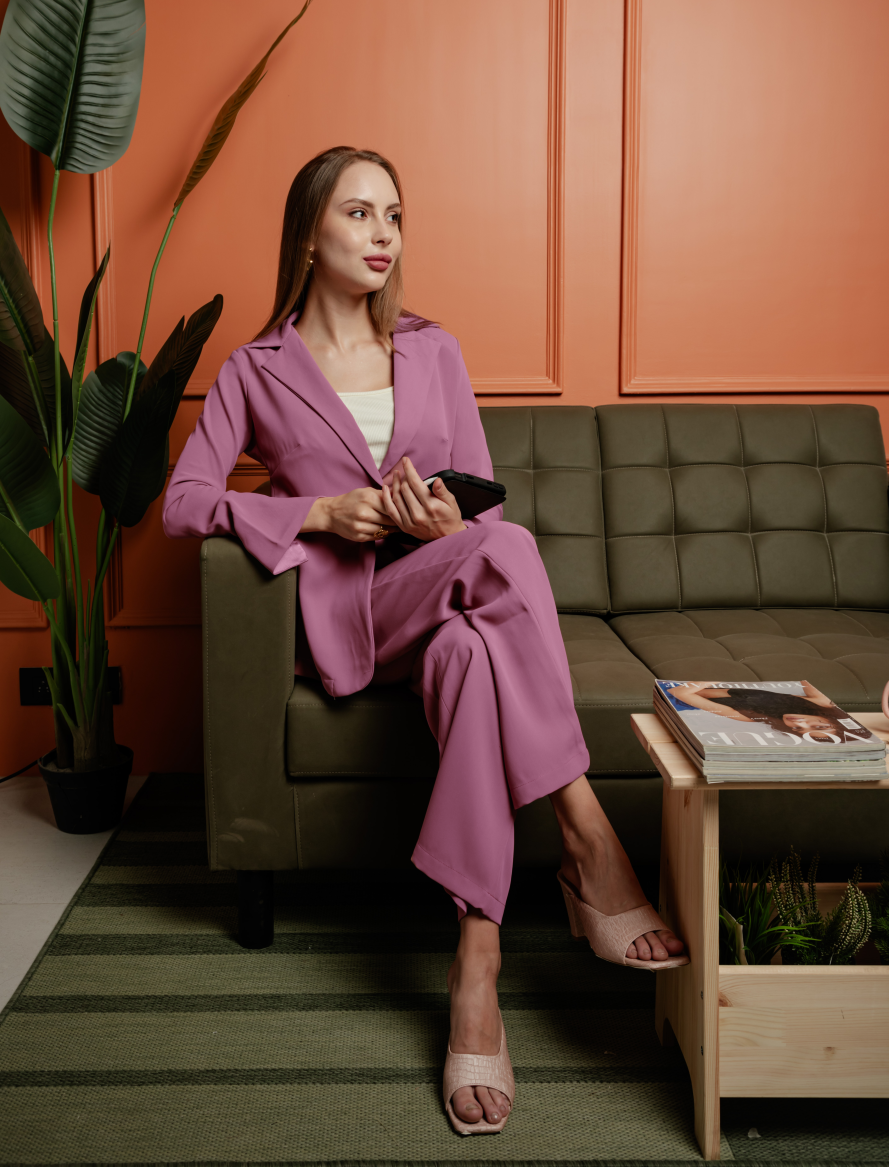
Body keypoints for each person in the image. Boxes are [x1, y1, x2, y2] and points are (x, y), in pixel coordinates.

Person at [164, 146, 687, 1135]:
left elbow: (480, 507)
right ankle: (584, 832)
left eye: (394, 215)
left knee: (474, 652)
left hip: (442, 599)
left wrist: (443, 520)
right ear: (307, 235)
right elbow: (184, 502)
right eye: (358, 212)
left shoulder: (432, 348)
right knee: (509, 554)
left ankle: (475, 965)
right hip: (349, 614)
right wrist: (317, 513)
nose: (383, 234)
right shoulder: (254, 368)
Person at [666, 681, 848, 743]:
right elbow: (804, 676)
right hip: (697, 685)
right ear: (827, 718)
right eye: (819, 726)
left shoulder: (748, 717)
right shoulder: (817, 703)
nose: (799, 723)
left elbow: (678, 693)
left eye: (798, 729)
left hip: (677, 694)